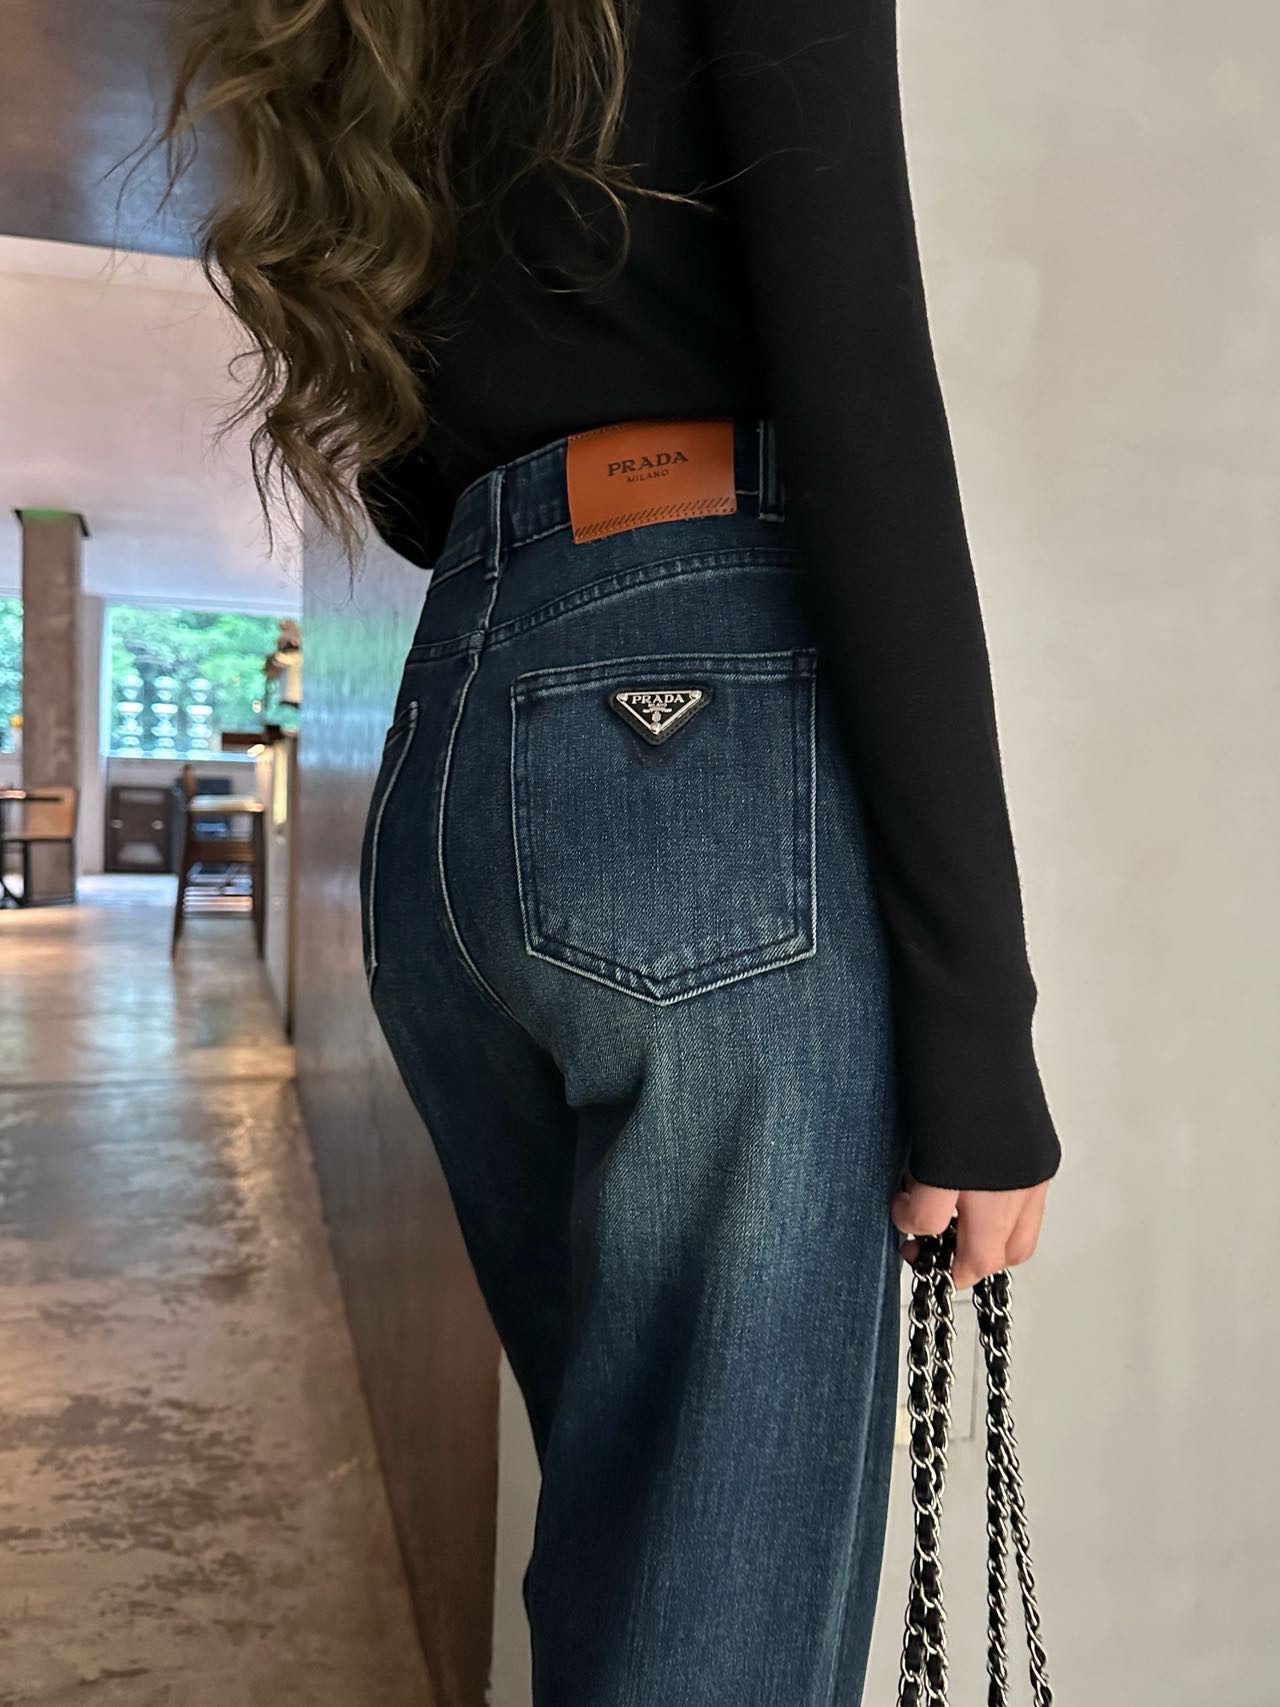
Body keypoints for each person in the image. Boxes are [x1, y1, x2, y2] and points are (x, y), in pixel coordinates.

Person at [159, 0, 1062, 1699]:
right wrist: (980, 1012)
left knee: (628, 1571)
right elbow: (857, 369)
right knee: (708, 1627)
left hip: (462, 741)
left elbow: (413, 480)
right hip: (705, 743)